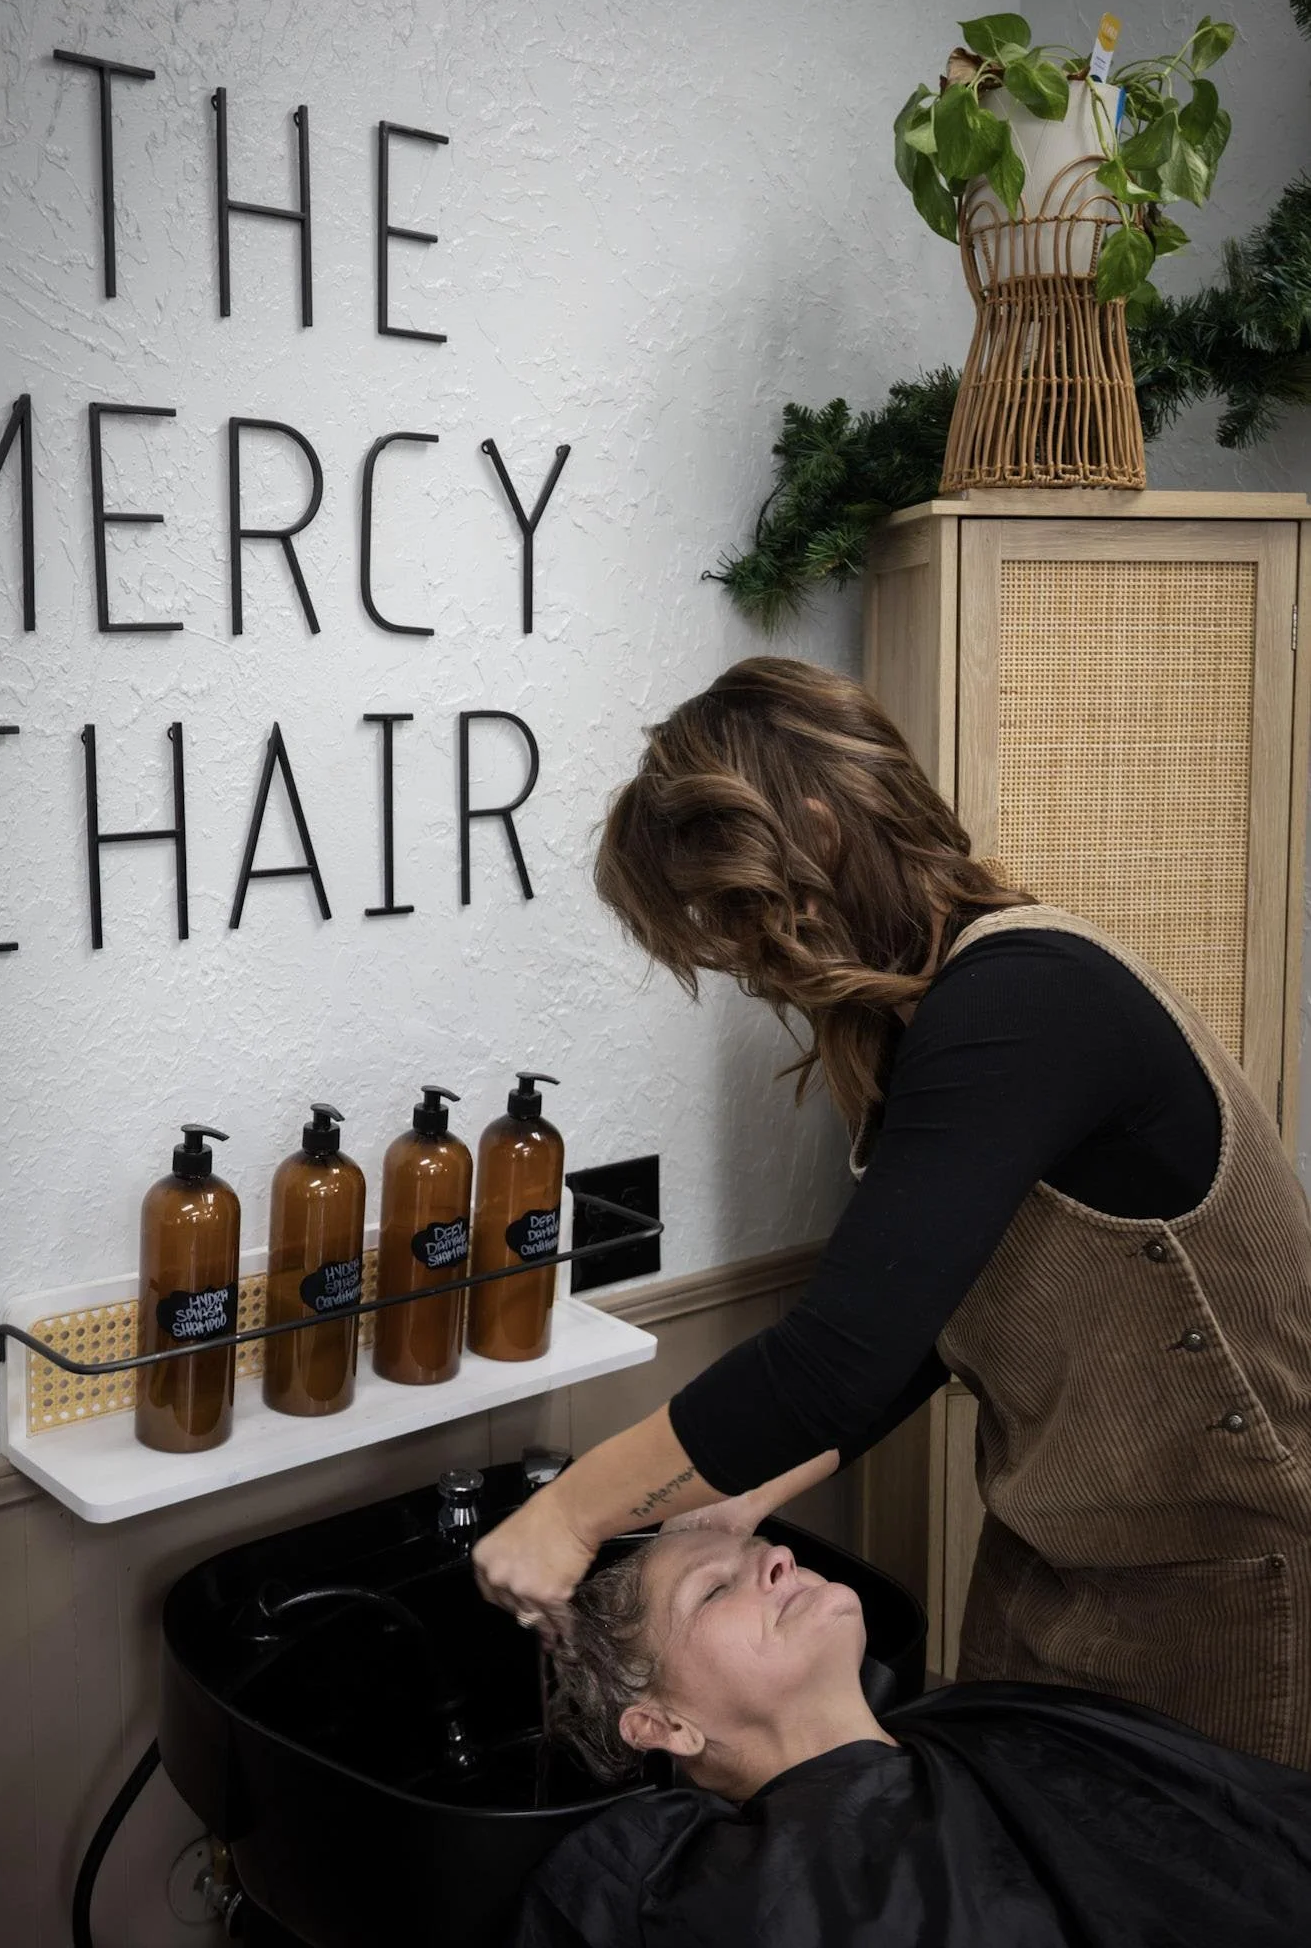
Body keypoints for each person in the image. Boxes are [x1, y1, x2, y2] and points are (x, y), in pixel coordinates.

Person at [474, 657, 1311, 1769]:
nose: (745, 962)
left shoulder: (1022, 1001)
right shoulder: (927, 1029)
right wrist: (739, 1497)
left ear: (817, 827)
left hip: (1235, 1577)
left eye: (737, 915)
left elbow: (837, 1359)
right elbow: (919, 1328)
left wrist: (573, 1510)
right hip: (1053, 1555)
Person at [511, 1527, 1311, 1948]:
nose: (782, 1558)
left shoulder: (1008, 1723)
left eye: (766, 1551)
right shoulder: (695, 1892)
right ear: (663, 1725)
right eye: (715, 1586)